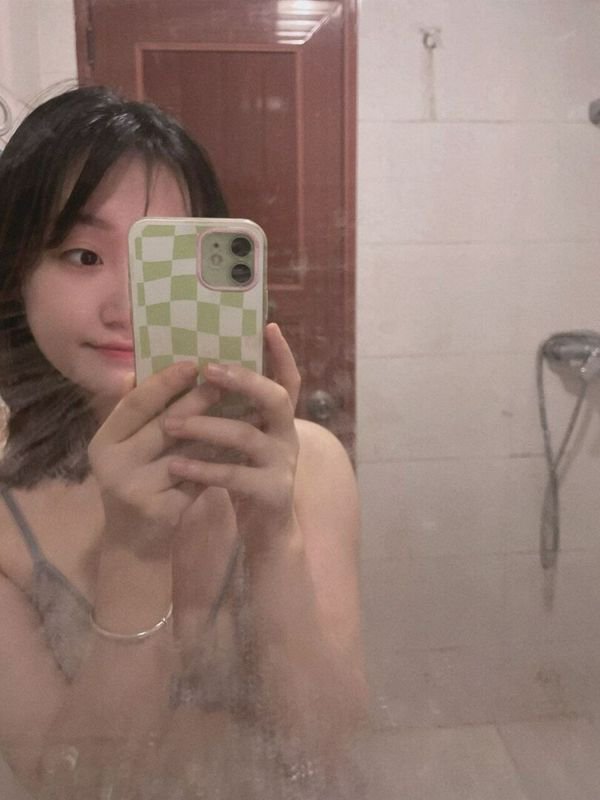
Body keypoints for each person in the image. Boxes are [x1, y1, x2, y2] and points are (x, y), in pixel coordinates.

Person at [0, 86, 367, 799]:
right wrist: (136, 553)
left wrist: (272, 538)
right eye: (83, 255)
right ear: (17, 279)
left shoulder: (311, 465)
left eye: (159, 262)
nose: (126, 307)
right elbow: (67, 789)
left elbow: (325, 751)